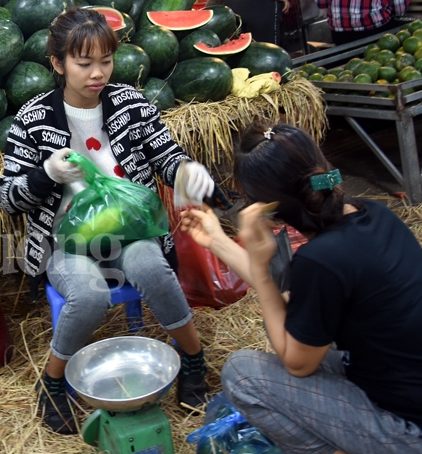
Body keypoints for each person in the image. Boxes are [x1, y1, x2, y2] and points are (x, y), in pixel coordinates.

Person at [0, 7, 215, 434]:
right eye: (83, 63)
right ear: (57, 64)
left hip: (132, 233)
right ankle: (53, 382)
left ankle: (193, 362)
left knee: (153, 268)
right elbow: (9, 199)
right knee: (90, 295)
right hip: (65, 244)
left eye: (106, 61)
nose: (97, 73)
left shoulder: (131, 105)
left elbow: (165, 156)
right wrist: (47, 175)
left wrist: (187, 172)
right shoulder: (32, 120)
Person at [180, 122, 422, 454]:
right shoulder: (376, 214)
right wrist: (217, 241)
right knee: (310, 342)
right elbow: (298, 309)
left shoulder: (320, 259)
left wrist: (263, 270)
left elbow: (298, 362)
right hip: (397, 382)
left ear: (266, 210)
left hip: (407, 431)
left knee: (243, 373)